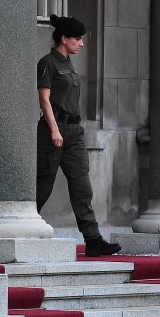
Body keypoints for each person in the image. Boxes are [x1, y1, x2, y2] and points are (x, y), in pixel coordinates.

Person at [36, 14, 121, 257]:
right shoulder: (48, 63)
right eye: (77, 38)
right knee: (43, 185)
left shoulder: (68, 63)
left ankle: (93, 239)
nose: (81, 43)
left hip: (74, 132)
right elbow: (44, 100)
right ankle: (25, 226)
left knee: (82, 186)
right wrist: (53, 129)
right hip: (54, 130)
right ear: (64, 39)